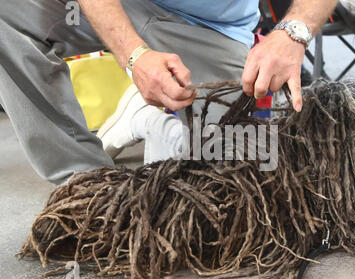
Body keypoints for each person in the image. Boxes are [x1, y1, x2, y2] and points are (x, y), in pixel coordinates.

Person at [0, 0, 337, 185]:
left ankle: (146, 119)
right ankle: (85, 182)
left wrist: (293, 33)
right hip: (121, 8)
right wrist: (134, 57)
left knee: (244, 181)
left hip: (212, 31)